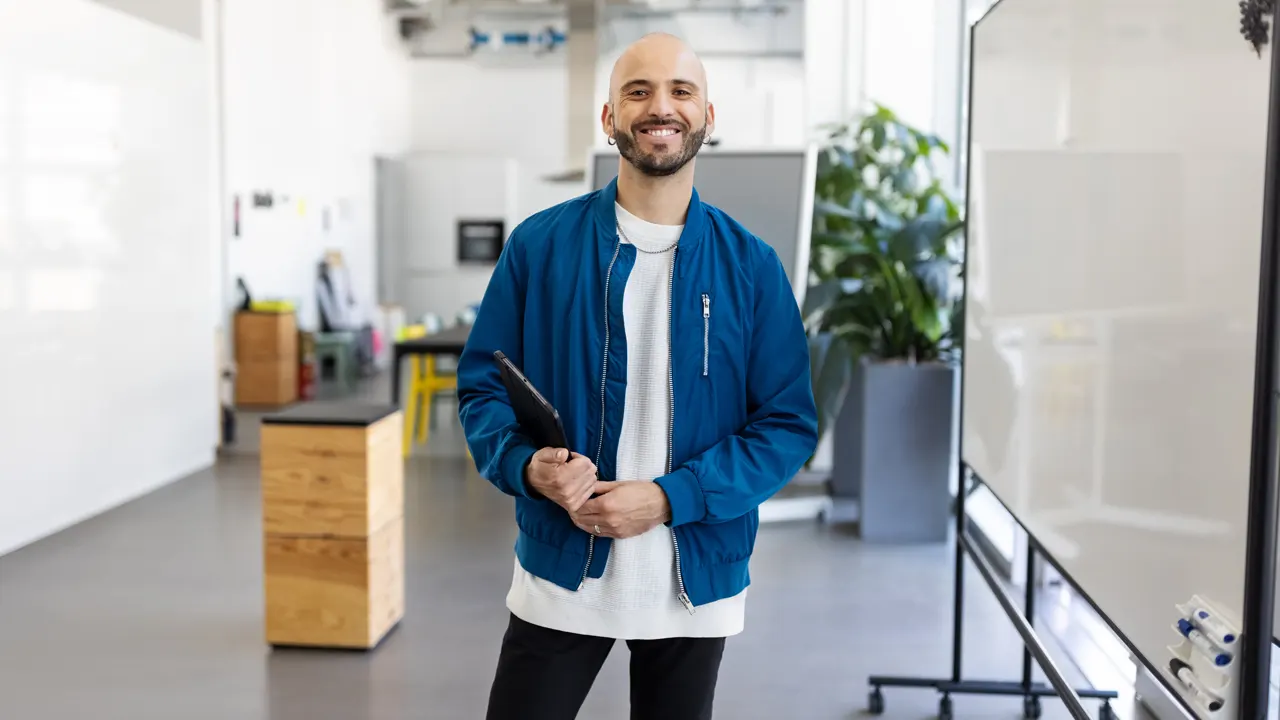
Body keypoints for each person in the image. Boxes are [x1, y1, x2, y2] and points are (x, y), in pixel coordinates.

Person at [456, 32, 818, 720]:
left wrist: (668, 498)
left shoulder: (752, 266)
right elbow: (482, 389)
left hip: (695, 575)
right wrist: (531, 468)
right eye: (639, 90)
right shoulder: (539, 246)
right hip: (562, 564)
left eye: (682, 91)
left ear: (709, 116)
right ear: (609, 117)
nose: (662, 107)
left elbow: (785, 426)